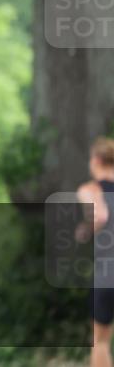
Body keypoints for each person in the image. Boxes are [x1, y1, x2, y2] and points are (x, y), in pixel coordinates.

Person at [75, 136, 114, 367]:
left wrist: (85, 229)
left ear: (97, 160)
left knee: (100, 341)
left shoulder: (91, 188)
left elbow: (99, 216)